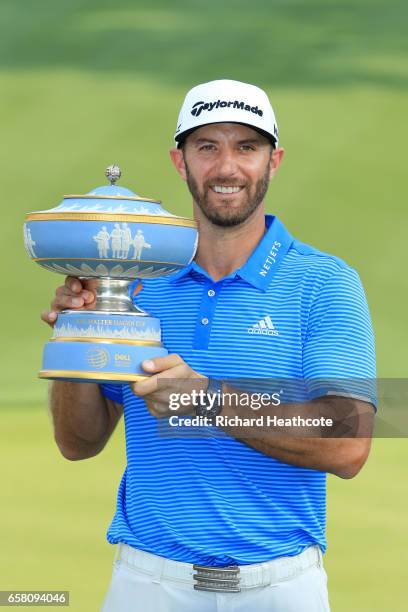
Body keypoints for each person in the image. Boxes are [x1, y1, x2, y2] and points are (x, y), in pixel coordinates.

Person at [42, 79, 376, 612]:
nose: (226, 168)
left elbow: (348, 444)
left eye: (246, 147)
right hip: (146, 583)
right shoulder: (136, 281)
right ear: (180, 161)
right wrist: (76, 337)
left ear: (274, 160)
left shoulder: (325, 283)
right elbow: (77, 443)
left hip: (280, 588)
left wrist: (206, 398)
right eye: (207, 147)